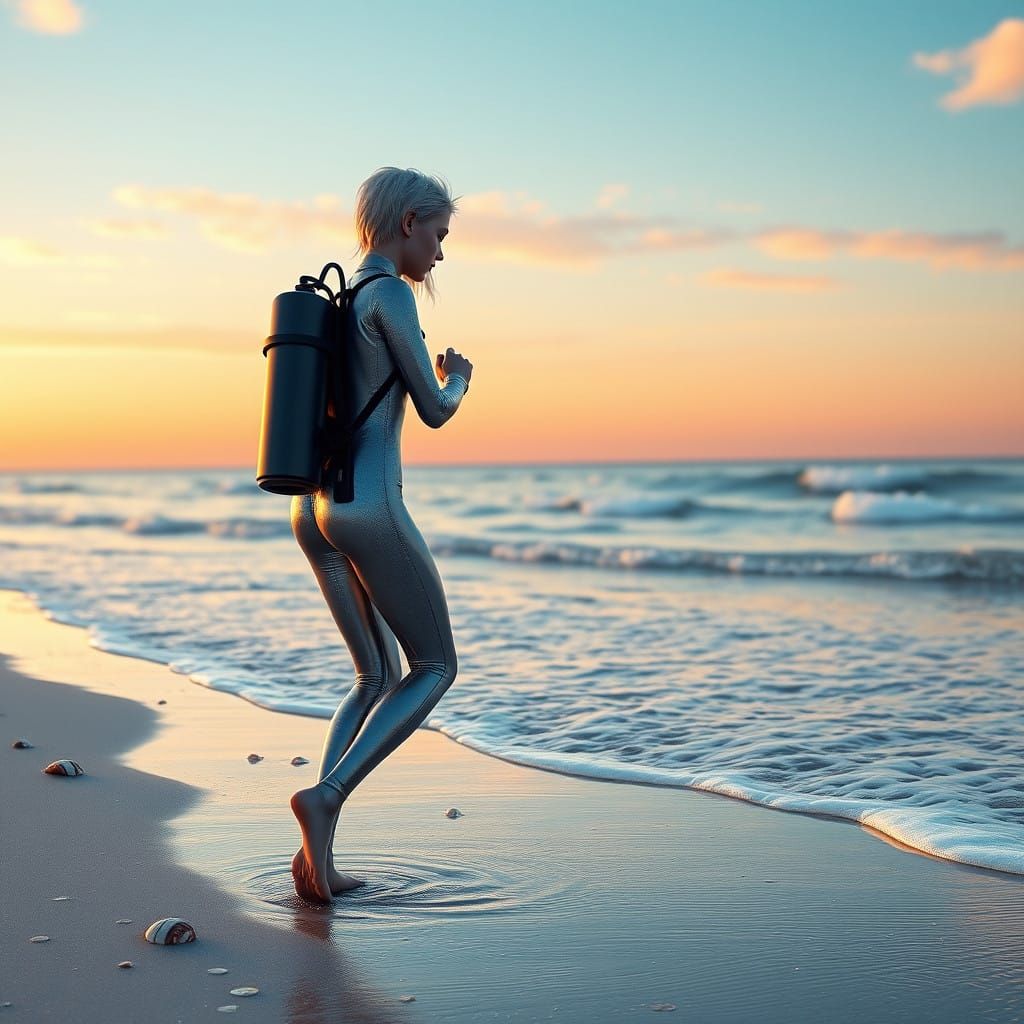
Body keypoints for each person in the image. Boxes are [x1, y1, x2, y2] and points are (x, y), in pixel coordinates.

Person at [289, 167, 473, 903]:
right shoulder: (390, 294)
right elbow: (431, 408)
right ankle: (327, 795)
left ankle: (317, 861)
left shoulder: (334, 300)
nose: (439, 252)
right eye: (438, 234)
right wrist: (456, 376)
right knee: (433, 666)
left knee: (372, 676)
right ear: (407, 223)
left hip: (312, 508)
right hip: (369, 506)